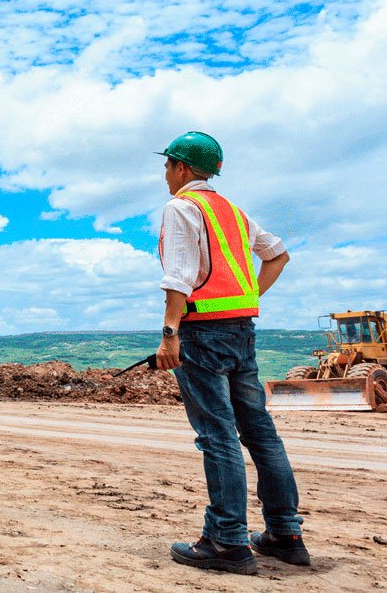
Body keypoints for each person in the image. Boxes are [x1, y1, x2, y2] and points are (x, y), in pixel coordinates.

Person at [154, 131, 309, 575]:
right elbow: (277, 255)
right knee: (261, 434)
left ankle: (226, 542)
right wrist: (248, 299)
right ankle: (285, 534)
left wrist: (170, 334)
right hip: (242, 331)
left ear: (183, 168)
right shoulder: (233, 212)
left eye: (168, 165)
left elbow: (178, 277)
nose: (165, 174)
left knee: (217, 436)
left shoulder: (182, 206)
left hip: (202, 333)